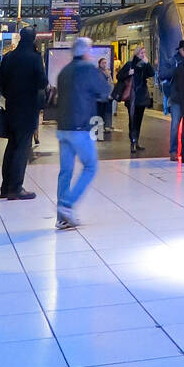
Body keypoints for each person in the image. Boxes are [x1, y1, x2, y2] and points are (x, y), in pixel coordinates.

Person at [55, 37, 112, 230]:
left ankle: (61, 218)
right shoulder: (88, 70)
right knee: (90, 166)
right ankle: (67, 205)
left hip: (63, 127)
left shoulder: (64, 71)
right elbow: (104, 92)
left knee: (65, 172)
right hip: (79, 128)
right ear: (86, 51)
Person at [0, 26, 46, 199]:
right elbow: (42, 82)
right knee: (22, 149)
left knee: (12, 147)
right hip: (28, 109)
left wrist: (10, 93)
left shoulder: (9, 57)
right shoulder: (34, 58)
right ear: (33, 39)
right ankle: (15, 188)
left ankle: (5, 187)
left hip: (12, 108)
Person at [114, 45, 154, 153]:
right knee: (132, 120)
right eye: (142, 53)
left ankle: (136, 141)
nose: (143, 55)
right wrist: (128, 73)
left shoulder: (144, 65)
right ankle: (132, 141)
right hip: (131, 96)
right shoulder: (129, 64)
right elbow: (119, 76)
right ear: (136, 54)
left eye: (144, 53)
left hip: (141, 96)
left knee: (139, 120)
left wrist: (147, 63)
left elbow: (152, 73)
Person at [163, 46, 184, 159]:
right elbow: (163, 75)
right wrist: (175, 69)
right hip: (176, 98)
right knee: (175, 125)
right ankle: (173, 151)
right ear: (181, 49)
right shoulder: (173, 61)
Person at [96, 57, 113, 139]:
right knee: (100, 112)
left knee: (105, 112)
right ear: (99, 63)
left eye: (105, 62)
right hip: (99, 97)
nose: (104, 64)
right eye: (103, 62)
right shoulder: (97, 72)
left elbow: (110, 83)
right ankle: (99, 128)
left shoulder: (108, 72)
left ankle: (104, 126)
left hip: (107, 96)